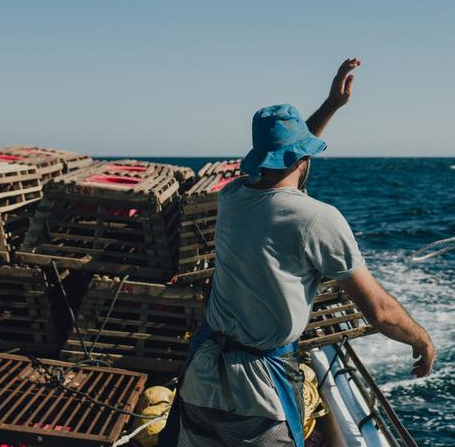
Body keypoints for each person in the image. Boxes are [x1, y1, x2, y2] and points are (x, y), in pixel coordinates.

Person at [169, 58, 435, 447]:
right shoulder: (317, 219)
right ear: (303, 158)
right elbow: (379, 311)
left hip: (202, 382)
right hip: (258, 397)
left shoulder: (231, 197)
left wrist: (331, 105)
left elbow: (285, 160)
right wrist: (421, 339)